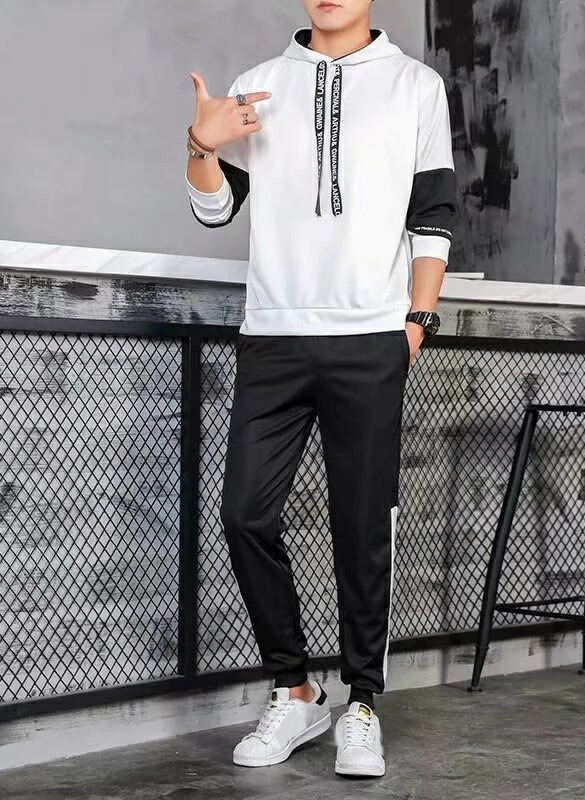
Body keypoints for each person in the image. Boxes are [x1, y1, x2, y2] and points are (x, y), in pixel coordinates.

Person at [184, 0, 454, 779]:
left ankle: (361, 705)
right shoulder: (260, 82)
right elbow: (213, 209)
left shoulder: (415, 86)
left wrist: (416, 321)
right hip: (272, 334)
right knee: (245, 514)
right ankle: (296, 688)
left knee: (361, 526)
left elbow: (433, 217)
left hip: (370, 337)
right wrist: (201, 144)